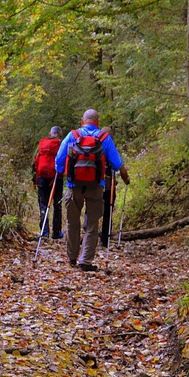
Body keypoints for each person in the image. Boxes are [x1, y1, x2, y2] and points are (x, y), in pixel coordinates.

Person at [55, 109, 130, 271]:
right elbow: (117, 164)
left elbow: (59, 160)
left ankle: (72, 257)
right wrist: (126, 178)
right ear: (97, 121)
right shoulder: (104, 138)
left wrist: (61, 172)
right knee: (92, 225)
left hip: (74, 186)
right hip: (96, 186)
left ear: (83, 120)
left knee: (72, 223)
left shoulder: (72, 135)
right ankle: (85, 261)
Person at [32, 125, 63, 238]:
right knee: (57, 204)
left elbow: (35, 161)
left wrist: (34, 179)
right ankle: (56, 232)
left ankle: (44, 231)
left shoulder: (42, 144)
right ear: (60, 135)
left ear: (50, 133)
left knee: (43, 204)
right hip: (56, 178)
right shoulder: (60, 144)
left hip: (42, 178)